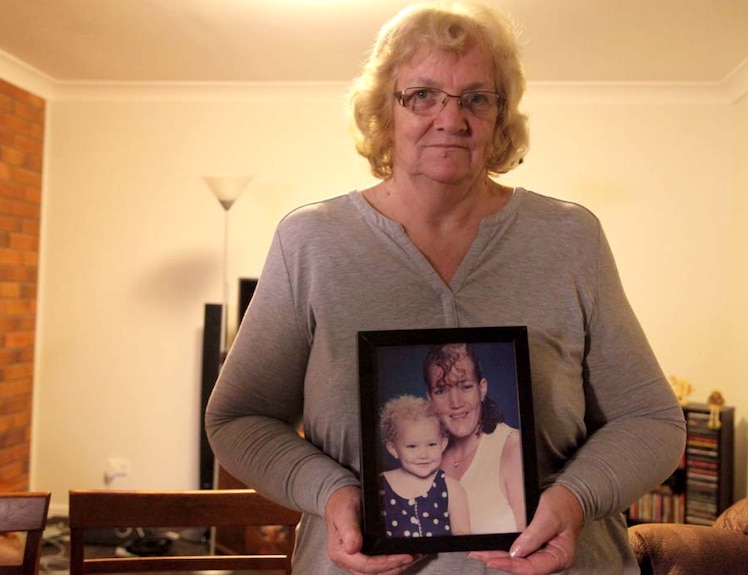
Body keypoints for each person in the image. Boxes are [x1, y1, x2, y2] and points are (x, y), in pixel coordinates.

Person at [206, 1, 686, 574]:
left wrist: (575, 497)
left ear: (500, 117)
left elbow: (653, 421)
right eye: (422, 95)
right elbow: (237, 420)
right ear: (386, 110)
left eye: (476, 99)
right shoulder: (310, 242)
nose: (450, 119)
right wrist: (331, 492)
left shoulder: (570, 238)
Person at [424, 343, 525, 535]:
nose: (455, 403)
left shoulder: (512, 447)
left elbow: (530, 543)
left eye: (466, 387)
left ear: (482, 388)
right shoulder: (425, 457)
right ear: (430, 398)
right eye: (441, 391)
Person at [378, 394, 470, 538]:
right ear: (394, 449)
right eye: (412, 446)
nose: (423, 454)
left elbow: (462, 534)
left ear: (443, 444)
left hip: (444, 559)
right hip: (396, 560)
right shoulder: (380, 485)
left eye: (432, 444)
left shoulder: (452, 488)